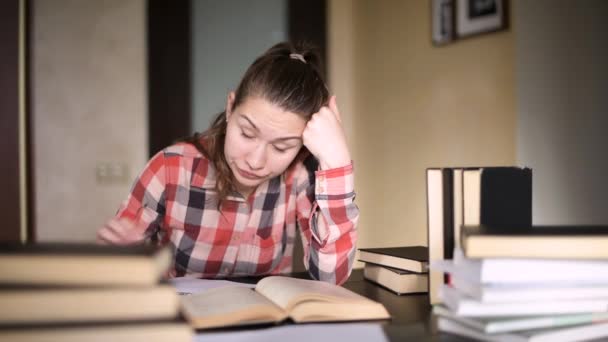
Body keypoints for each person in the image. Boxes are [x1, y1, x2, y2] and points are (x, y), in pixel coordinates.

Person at [97, 42, 358, 285]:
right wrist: (125, 257)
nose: (255, 161)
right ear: (230, 107)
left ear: (302, 145)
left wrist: (336, 164)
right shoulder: (169, 168)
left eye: (281, 147)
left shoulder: (299, 176)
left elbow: (330, 277)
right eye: (246, 133)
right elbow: (110, 273)